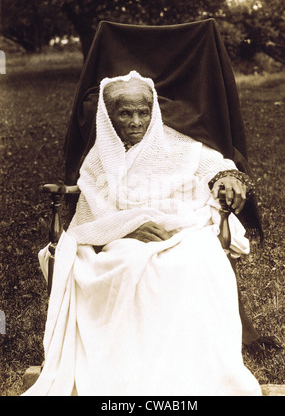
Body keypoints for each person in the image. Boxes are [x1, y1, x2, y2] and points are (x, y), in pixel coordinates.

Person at [24, 71, 262, 396]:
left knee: (196, 262)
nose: (137, 121)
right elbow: (94, 211)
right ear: (109, 116)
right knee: (121, 266)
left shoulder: (173, 141)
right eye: (125, 113)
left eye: (143, 111)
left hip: (181, 227)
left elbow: (213, 164)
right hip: (119, 237)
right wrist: (129, 227)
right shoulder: (99, 158)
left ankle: (187, 366)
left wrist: (228, 178)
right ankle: (128, 368)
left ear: (153, 111)